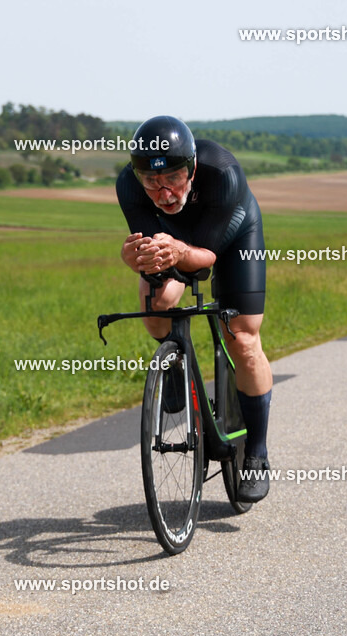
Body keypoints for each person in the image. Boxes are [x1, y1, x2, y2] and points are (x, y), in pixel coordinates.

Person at [116, 115, 273, 503]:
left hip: (233, 237)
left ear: (193, 169)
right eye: (151, 182)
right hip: (177, 240)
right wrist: (136, 258)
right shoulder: (128, 184)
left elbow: (203, 261)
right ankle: (174, 370)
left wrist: (181, 252)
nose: (163, 192)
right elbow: (151, 254)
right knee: (157, 302)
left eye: (172, 178)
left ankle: (257, 453)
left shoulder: (222, 173)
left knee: (243, 336)